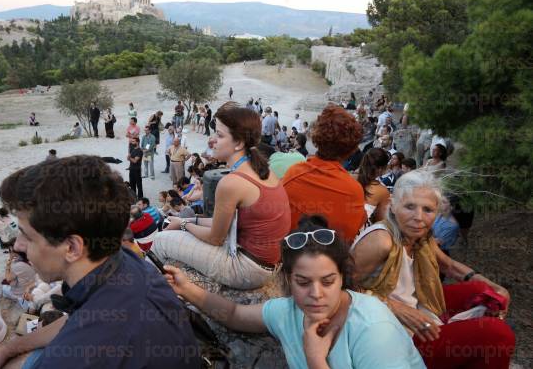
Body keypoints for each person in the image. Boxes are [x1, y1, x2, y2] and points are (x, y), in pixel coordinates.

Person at [0, 156, 200, 369]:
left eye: (27, 236)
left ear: (72, 247)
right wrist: (8, 349)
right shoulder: (124, 261)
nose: (19, 245)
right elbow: (79, 319)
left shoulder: (75, 356)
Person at [164, 216, 425, 369]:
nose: (316, 294)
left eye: (327, 281)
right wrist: (186, 289)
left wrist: (315, 359)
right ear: (287, 279)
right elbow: (234, 313)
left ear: (342, 278)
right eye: (303, 282)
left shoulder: (372, 328)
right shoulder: (288, 311)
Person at [351, 170, 515, 369]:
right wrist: (394, 307)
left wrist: (495, 287)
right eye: (409, 206)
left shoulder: (420, 236)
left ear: (436, 212)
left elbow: (448, 265)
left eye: (427, 210)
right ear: (393, 206)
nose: (418, 217)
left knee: (482, 291)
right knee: (498, 334)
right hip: (393, 330)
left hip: (417, 306)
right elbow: (342, 286)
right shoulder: (381, 241)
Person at [152, 103, 291, 290]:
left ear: (239, 143)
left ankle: (152, 293)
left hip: (248, 269)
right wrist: (191, 219)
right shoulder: (261, 169)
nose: (212, 141)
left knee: (160, 242)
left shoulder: (231, 183)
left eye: (219, 135)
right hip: (267, 263)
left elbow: (215, 238)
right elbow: (228, 224)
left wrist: (184, 224)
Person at [282, 105, 366, 243]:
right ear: (351, 149)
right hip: (330, 260)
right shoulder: (354, 190)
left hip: (292, 253)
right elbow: (349, 235)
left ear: (317, 139)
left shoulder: (293, 173)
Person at [356, 148, 391, 225]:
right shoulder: (382, 191)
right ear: (381, 169)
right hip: (360, 233)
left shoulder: (348, 178)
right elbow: (381, 221)